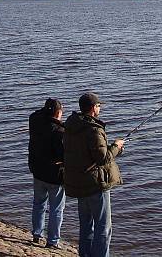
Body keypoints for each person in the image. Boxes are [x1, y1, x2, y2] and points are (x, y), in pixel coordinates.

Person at [64, 93, 124, 257]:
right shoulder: (94, 130)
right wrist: (116, 147)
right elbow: (103, 158)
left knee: (86, 225)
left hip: (79, 183)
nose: (100, 108)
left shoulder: (71, 125)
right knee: (103, 227)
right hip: (95, 184)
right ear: (92, 108)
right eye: (98, 106)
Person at [29, 98, 66, 249]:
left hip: (37, 171)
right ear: (58, 113)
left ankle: (37, 234)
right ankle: (53, 241)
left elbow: (36, 114)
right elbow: (63, 155)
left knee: (38, 204)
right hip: (54, 176)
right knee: (56, 208)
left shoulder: (34, 121)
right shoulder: (59, 132)